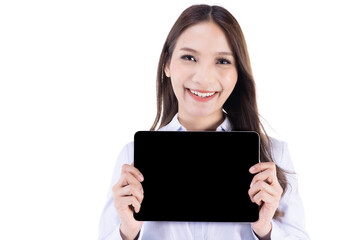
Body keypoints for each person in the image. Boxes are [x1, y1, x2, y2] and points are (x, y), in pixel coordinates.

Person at [98, 4, 310, 240]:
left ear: (238, 71)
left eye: (223, 61)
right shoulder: (132, 158)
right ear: (167, 63)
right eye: (189, 57)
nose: (203, 78)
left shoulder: (273, 156)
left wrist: (266, 230)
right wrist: (127, 232)